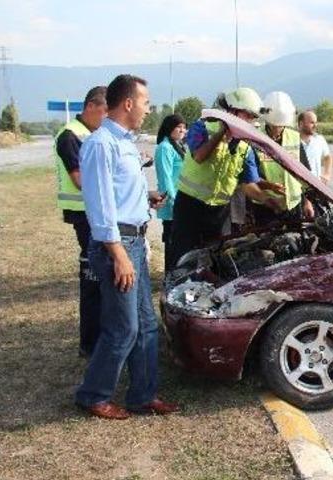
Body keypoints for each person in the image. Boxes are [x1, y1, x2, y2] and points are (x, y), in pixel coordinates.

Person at [75, 74, 178, 420]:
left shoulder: (124, 142)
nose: (150, 109)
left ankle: (143, 395)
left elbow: (118, 194)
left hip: (133, 239)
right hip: (116, 245)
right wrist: (119, 256)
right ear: (129, 103)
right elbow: (101, 206)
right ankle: (93, 395)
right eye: (146, 102)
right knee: (123, 328)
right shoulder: (102, 144)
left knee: (147, 325)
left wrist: (145, 199)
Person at [166, 87, 280, 270]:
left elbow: (248, 184)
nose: (251, 121)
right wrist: (221, 134)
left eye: (253, 118)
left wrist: (266, 199)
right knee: (183, 258)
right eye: (248, 115)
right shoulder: (202, 127)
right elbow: (199, 157)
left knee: (216, 260)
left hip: (219, 213)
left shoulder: (245, 146)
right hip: (190, 206)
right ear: (234, 111)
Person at [54, 85, 108, 358]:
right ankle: (90, 343)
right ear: (91, 107)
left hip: (94, 215)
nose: (107, 117)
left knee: (99, 281)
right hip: (85, 216)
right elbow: (79, 180)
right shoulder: (71, 136)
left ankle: (99, 337)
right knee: (92, 281)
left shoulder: (90, 133)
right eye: (105, 111)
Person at [252, 91, 313, 226]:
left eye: (280, 125)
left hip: (294, 205)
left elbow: (306, 173)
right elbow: (250, 176)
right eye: (274, 125)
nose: (277, 129)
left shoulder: (294, 137)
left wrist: (307, 201)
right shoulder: (254, 139)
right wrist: (270, 187)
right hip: (266, 206)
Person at [153, 113, 186, 263]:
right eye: (178, 127)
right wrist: (175, 202)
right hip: (172, 203)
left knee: (180, 243)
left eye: (184, 127)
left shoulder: (178, 146)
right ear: (169, 128)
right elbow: (165, 178)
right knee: (172, 243)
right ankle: (170, 277)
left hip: (180, 201)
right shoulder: (164, 147)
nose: (182, 130)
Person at [298, 111, 333, 184]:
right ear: (301, 124)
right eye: (312, 123)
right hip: (298, 187)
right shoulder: (292, 141)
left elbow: (328, 157)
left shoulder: (319, 140)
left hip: (316, 187)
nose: (315, 125)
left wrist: (327, 174)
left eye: (316, 122)